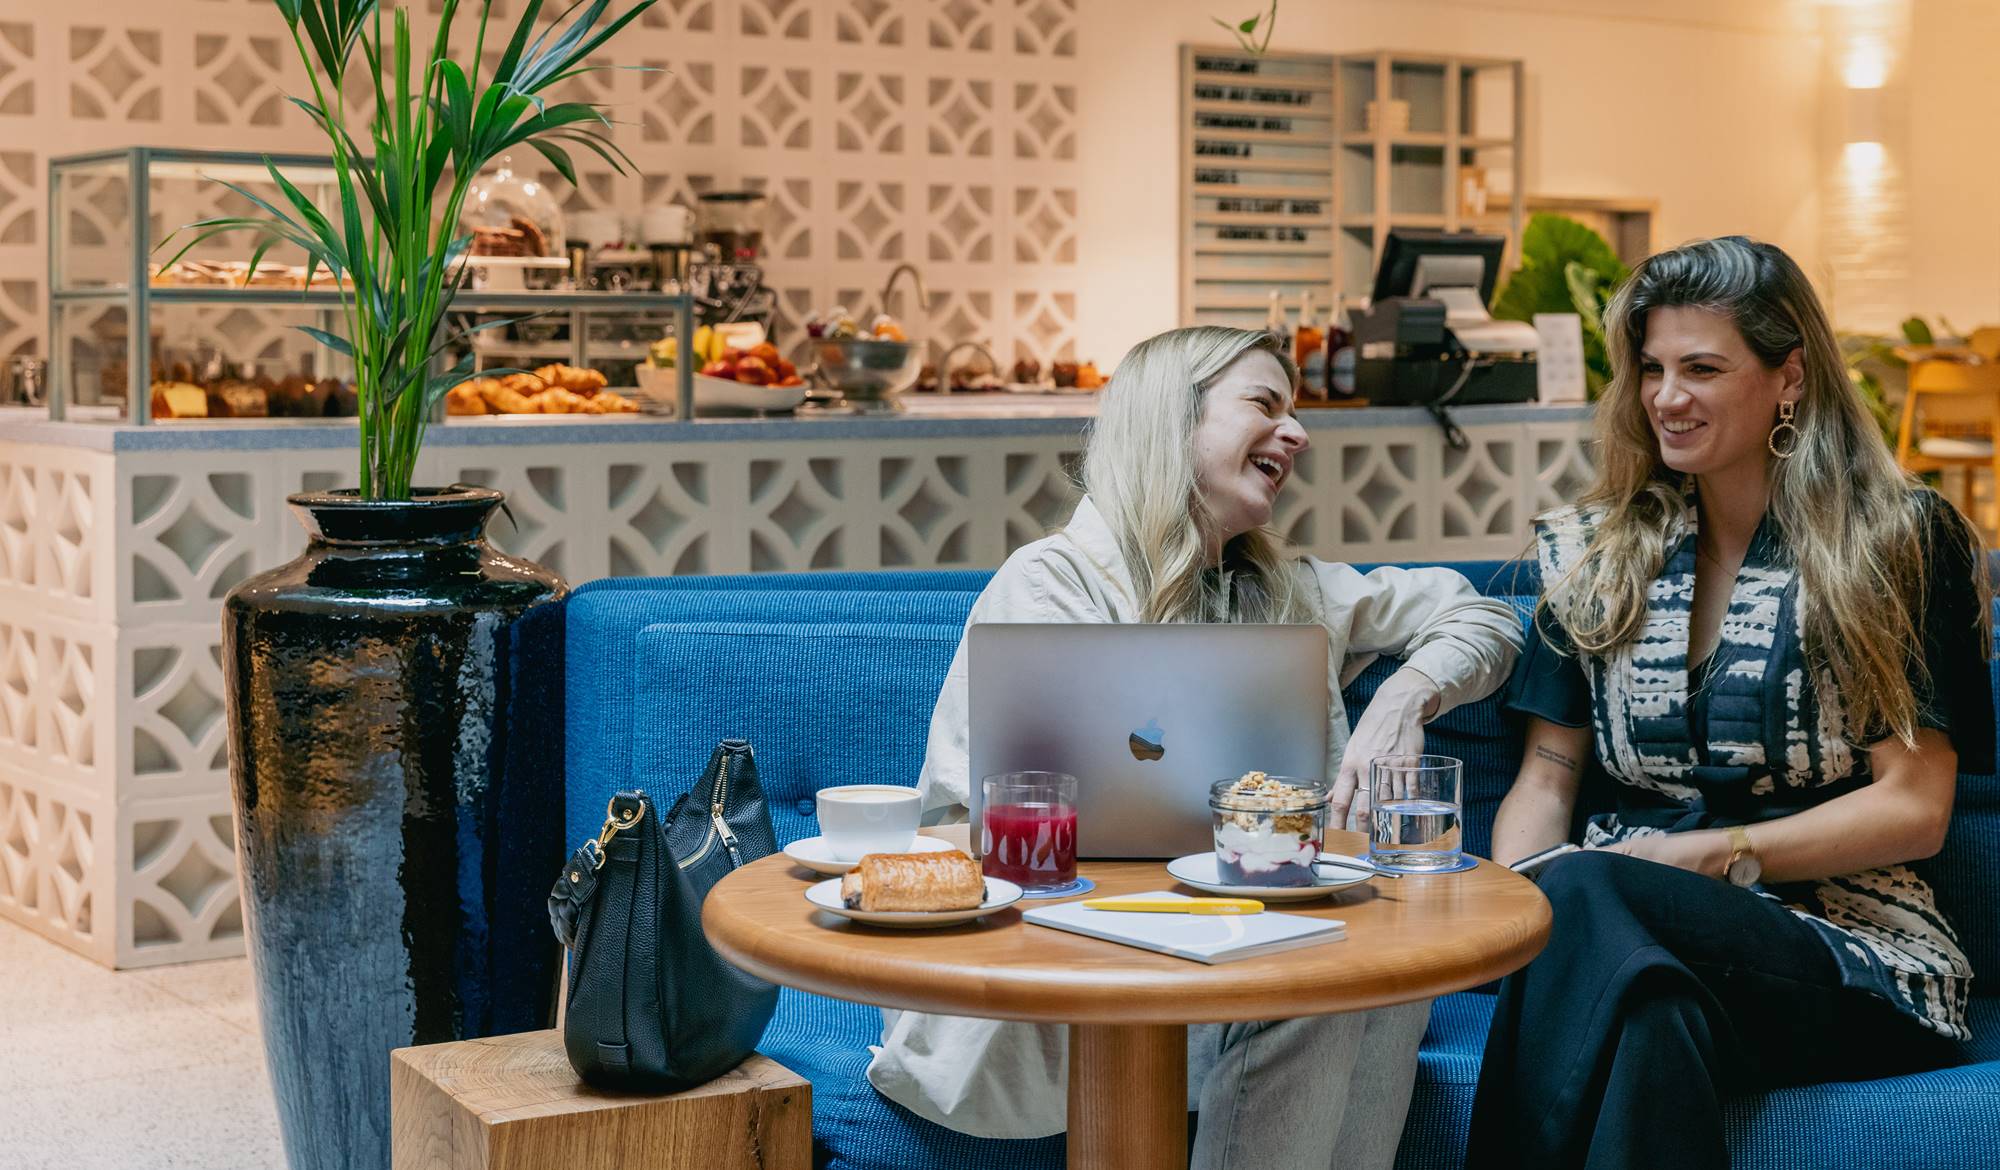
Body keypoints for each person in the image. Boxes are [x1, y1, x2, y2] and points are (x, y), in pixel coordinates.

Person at [863, 325, 1525, 1168]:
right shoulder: (1051, 584)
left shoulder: (1290, 592)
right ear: (1172, 422)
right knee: (1313, 982)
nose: (1298, 434)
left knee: (1390, 979)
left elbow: (1486, 616)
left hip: (1232, 939)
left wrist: (1403, 695)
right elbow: (1006, 831)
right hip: (1066, 951)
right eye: (1264, 404)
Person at [1467, 236, 1993, 1170]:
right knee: (1648, 1015)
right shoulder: (1595, 552)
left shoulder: (1893, 541)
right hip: (1627, 937)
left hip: (1851, 954)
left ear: (1789, 378)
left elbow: (1916, 808)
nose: (1666, 397)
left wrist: (1700, 859)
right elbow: (1547, 780)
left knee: (1592, 887)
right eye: (1652, 369)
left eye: (1702, 368)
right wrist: (1531, 903)